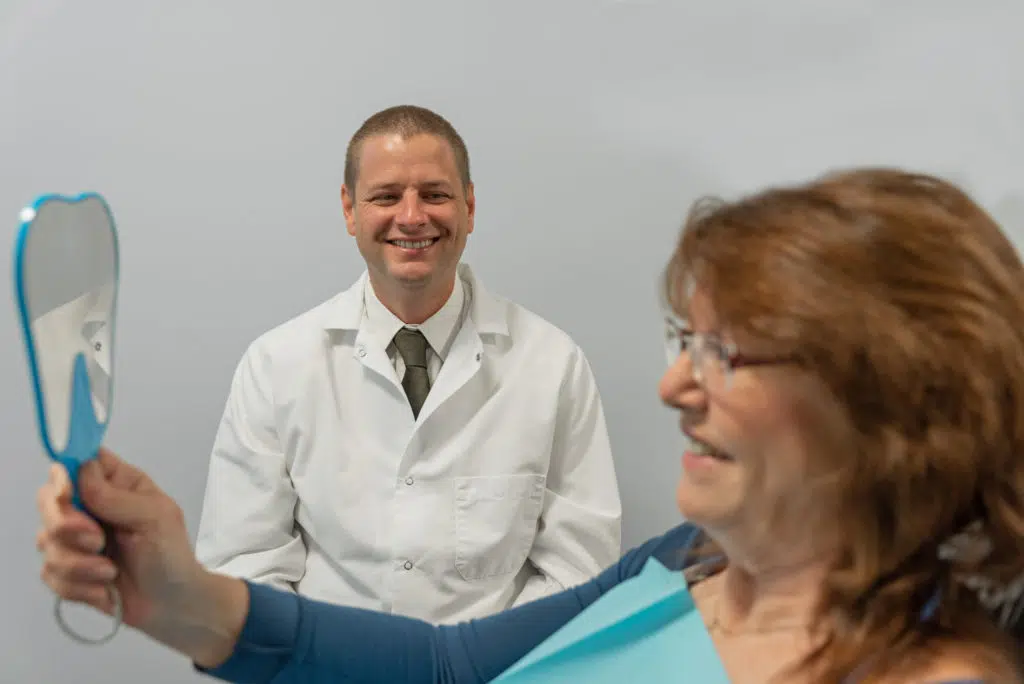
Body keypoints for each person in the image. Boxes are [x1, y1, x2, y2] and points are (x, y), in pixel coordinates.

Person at [36, 167, 1024, 683]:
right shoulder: (691, 564)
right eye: (685, 338)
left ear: (888, 404)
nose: (673, 384)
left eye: (725, 351)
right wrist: (180, 598)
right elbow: (449, 668)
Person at [191, 104, 622, 623]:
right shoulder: (276, 366)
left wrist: (483, 662)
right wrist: (327, 660)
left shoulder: (552, 365)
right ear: (350, 210)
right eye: (386, 196)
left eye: (435, 194)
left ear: (469, 207)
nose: (413, 217)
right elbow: (243, 565)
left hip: (503, 664)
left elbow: (579, 569)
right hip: (327, 663)